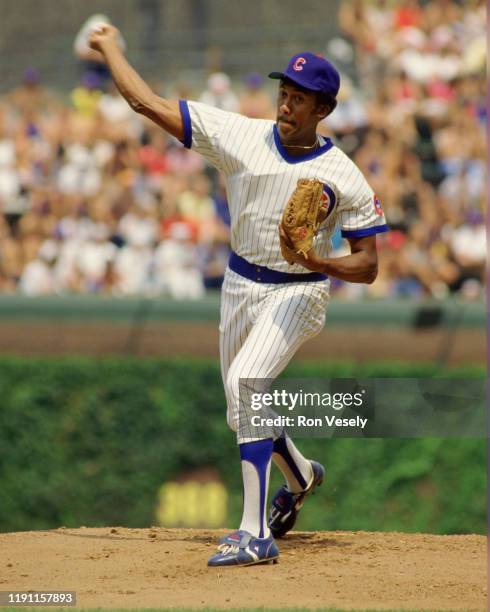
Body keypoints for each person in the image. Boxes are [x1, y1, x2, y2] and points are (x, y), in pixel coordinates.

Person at [89, 25, 388, 567]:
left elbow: (368, 265)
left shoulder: (342, 175)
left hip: (299, 292)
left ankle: (254, 534)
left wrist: (319, 260)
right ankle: (299, 473)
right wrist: (111, 49)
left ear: (323, 108)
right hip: (239, 284)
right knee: (241, 409)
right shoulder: (240, 134)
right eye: (284, 92)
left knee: (246, 383)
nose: (286, 103)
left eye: (300, 98)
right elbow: (146, 102)